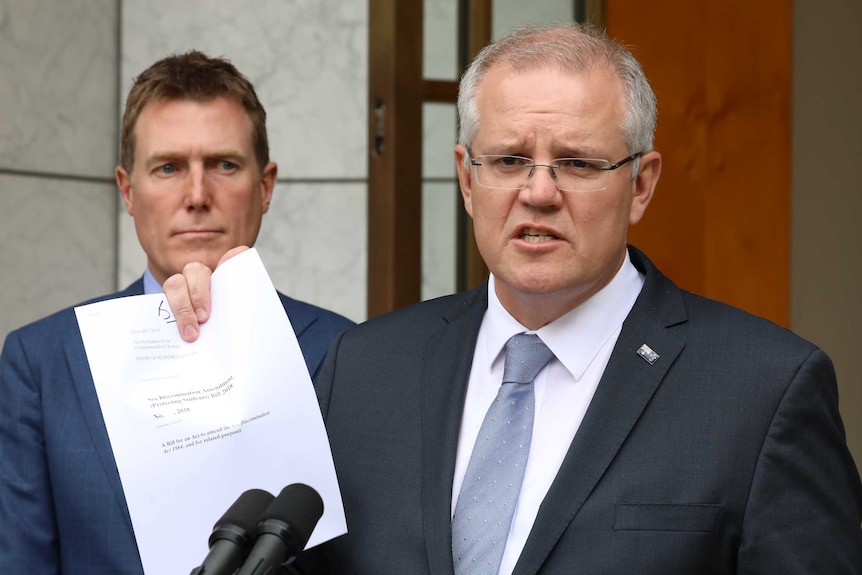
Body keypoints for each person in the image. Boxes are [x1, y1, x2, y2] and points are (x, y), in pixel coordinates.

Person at [164, 23, 862, 574]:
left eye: (579, 163)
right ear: (467, 180)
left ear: (642, 184)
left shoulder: (764, 390)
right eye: (507, 160)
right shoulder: (366, 368)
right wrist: (203, 358)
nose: (538, 191)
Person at [0, 51, 354, 575]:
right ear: (127, 190)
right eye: (168, 168)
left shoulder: (348, 354)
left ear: (265, 186)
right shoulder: (42, 361)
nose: (196, 195)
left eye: (224, 165)